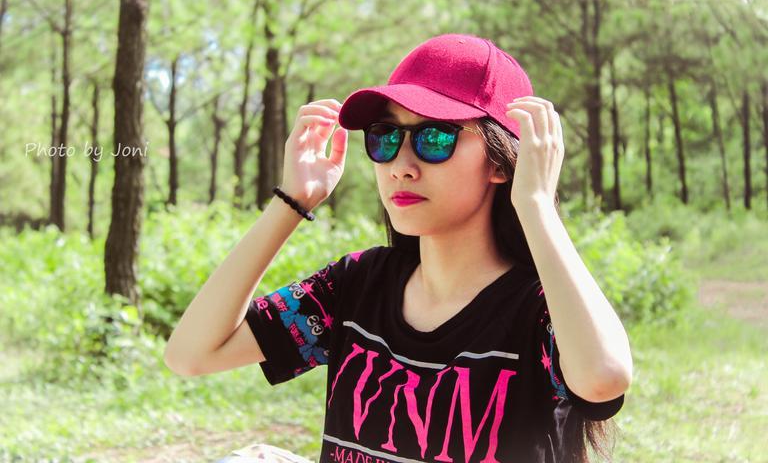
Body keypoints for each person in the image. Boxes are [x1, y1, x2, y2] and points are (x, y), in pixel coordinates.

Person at [165, 33, 633, 463]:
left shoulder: (540, 309)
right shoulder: (357, 285)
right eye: (386, 137)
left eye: (435, 138)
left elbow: (603, 378)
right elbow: (192, 354)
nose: (400, 166)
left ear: (500, 161)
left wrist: (535, 204)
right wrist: (292, 202)